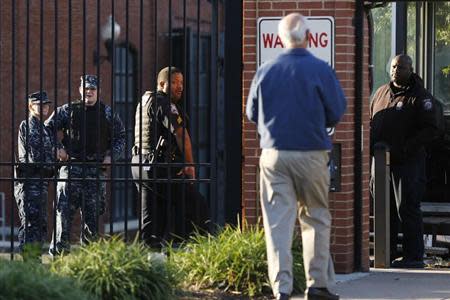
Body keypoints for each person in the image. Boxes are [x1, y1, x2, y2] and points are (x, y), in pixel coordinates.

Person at [246, 13, 346, 300]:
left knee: (278, 222)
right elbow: (337, 111)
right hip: (312, 153)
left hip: (274, 154)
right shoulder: (320, 70)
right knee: (315, 217)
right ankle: (317, 285)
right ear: (309, 37)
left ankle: (282, 288)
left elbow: (252, 113)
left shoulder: (265, 70)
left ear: (280, 39)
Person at [370, 54, 440, 268]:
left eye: (400, 67)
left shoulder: (420, 97)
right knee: (384, 209)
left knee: (406, 208)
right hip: (381, 164)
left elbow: (432, 129)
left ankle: (413, 257)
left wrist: (406, 147)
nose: (395, 71)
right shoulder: (381, 92)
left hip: (407, 163)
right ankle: (386, 254)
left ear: (410, 69)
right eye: (392, 67)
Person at [46, 75, 126, 255]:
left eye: (93, 89)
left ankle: (89, 262)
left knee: (92, 221)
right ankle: (57, 260)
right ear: (80, 90)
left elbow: (121, 136)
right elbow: (47, 128)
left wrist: (111, 156)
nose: (89, 92)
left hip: (95, 171)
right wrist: (58, 148)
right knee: (62, 217)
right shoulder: (68, 110)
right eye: (86, 88)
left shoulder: (107, 113)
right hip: (71, 169)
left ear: (98, 91)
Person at [131, 66, 206, 248]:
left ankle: (154, 256)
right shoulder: (164, 104)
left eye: (181, 83)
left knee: (154, 216)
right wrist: (190, 165)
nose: (179, 87)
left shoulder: (145, 100)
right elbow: (181, 135)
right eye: (174, 83)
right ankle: (182, 247)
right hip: (159, 167)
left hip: (141, 165)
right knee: (196, 205)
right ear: (162, 84)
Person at [14, 91, 65, 259]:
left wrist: (59, 153)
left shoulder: (44, 128)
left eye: (46, 104)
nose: (44, 107)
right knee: (30, 225)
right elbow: (36, 157)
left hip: (41, 184)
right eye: (40, 104)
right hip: (29, 183)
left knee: (40, 225)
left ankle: (33, 261)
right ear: (30, 106)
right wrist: (55, 153)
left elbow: (58, 153)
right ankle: (29, 264)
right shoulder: (28, 126)